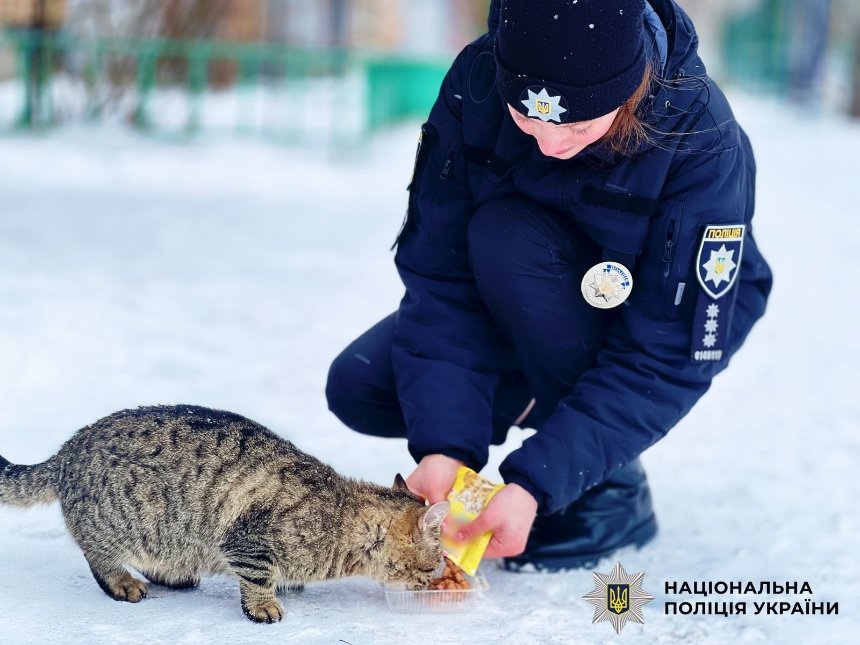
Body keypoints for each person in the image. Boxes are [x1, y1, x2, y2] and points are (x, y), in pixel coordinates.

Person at [327, 0, 772, 572]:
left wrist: (539, 481)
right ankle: (558, 421)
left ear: (630, 88)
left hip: (655, 319)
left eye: (580, 126)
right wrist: (445, 445)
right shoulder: (478, 83)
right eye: (526, 119)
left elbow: (666, 350)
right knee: (363, 385)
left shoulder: (699, 134)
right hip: (522, 291)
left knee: (508, 239)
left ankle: (609, 489)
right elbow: (443, 279)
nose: (549, 144)